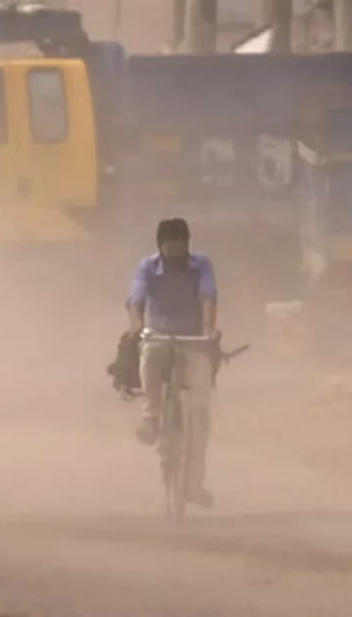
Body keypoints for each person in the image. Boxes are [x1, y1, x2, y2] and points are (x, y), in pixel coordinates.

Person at [126, 217, 219, 507]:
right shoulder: (147, 268)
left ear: (188, 247)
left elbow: (208, 295)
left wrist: (208, 328)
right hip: (158, 336)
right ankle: (151, 417)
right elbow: (136, 299)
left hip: (193, 338)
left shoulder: (202, 265)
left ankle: (194, 485)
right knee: (150, 354)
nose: (176, 257)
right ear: (161, 248)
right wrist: (136, 325)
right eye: (170, 250)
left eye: (181, 250)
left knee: (200, 413)